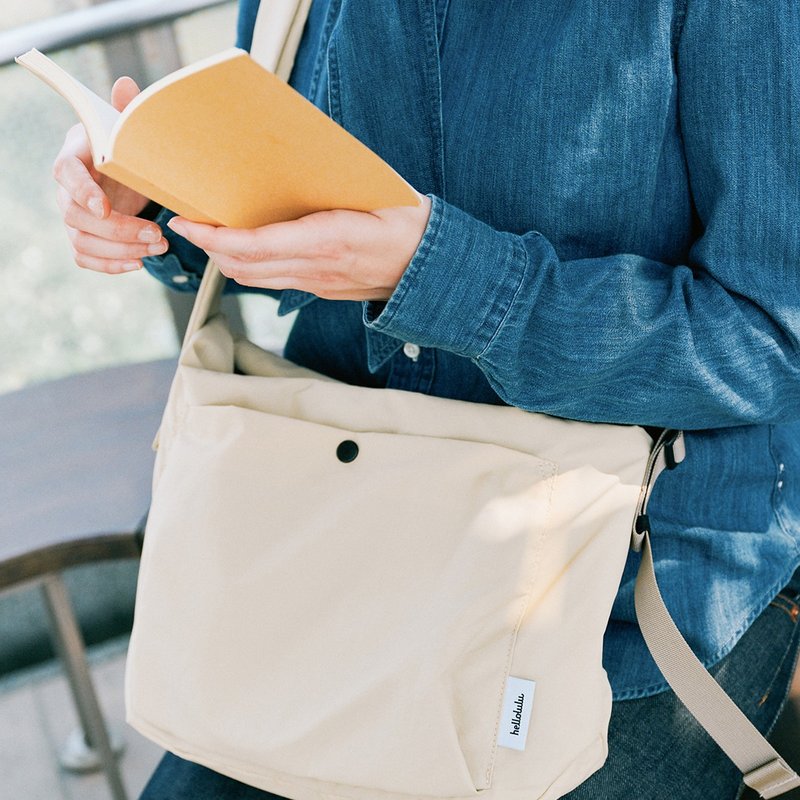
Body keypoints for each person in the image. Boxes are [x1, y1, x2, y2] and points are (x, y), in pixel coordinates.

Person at [51, 1, 800, 797]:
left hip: (621, 597)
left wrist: (437, 277)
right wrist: (156, 200)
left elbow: (771, 335)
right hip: (334, 547)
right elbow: (280, 193)